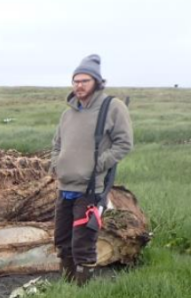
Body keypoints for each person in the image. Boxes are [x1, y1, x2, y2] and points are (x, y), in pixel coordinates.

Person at [50, 54, 133, 285]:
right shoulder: (68, 113)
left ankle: (81, 292)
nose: (79, 85)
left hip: (90, 190)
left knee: (83, 245)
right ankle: (66, 288)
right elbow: (56, 143)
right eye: (76, 81)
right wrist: (57, 164)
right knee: (63, 241)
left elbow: (123, 143)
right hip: (65, 187)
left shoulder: (112, 107)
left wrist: (96, 165)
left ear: (97, 82)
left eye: (84, 80)